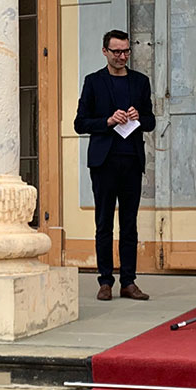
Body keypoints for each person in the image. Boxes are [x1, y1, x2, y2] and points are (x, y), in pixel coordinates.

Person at [75, 29, 156, 301]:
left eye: (126, 51)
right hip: (104, 161)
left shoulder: (140, 81)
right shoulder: (93, 82)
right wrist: (108, 121)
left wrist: (139, 117)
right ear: (105, 52)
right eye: (116, 52)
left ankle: (129, 281)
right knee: (104, 224)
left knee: (129, 224)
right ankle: (105, 281)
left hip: (132, 160)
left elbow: (151, 120)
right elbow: (80, 123)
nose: (122, 57)